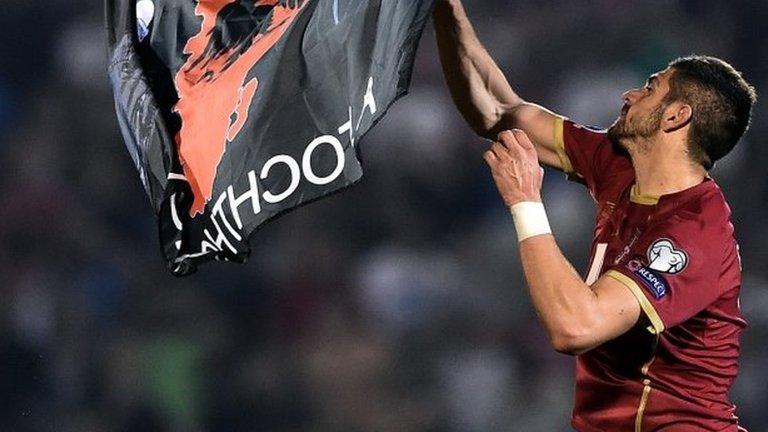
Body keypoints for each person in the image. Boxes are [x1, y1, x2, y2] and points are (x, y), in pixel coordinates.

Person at [433, 1, 757, 431]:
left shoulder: (691, 234)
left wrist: (526, 201)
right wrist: (447, 14)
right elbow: (498, 111)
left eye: (650, 88)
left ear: (677, 116)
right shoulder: (621, 164)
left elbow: (574, 327)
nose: (630, 94)